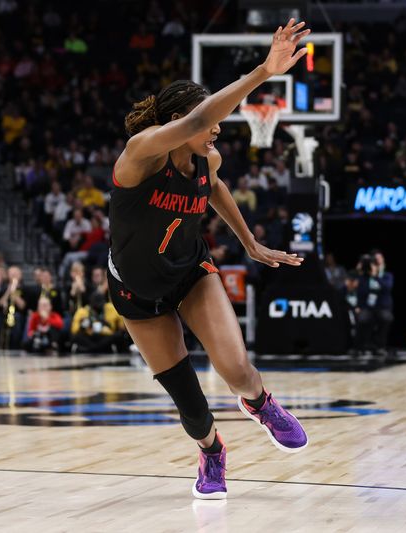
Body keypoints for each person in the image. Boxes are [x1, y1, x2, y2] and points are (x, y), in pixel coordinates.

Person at [107, 19, 310, 500]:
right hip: (137, 292)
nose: (218, 127)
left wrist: (249, 242)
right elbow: (200, 121)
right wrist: (264, 70)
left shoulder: (208, 160)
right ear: (175, 125)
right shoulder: (140, 154)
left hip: (190, 273)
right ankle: (212, 451)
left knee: (237, 369)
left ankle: (259, 403)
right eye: (207, 119)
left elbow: (213, 189)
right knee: (192, 407)